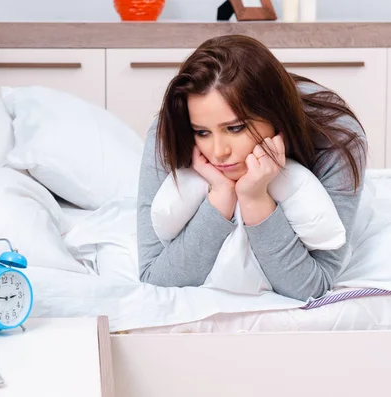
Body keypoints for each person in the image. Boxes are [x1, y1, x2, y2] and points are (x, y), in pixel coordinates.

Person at [136, 34, 368, 301]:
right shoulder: (171, 131)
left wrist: (255, 198)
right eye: (202, 132)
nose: (219, 152)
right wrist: (222, 195)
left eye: (235, 128)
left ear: (276, 118)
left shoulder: (338, 138)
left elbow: (312, 287)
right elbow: (156, 278)